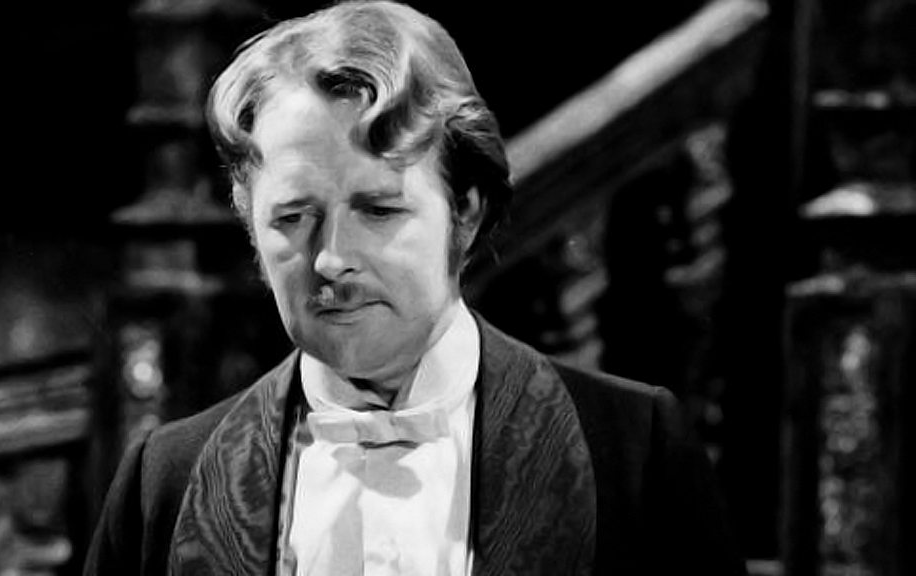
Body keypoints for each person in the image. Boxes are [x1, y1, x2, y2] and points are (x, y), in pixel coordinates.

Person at [84, 1, 746, 575]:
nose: (331, 259)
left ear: (465, 212)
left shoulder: (633, 454)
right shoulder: (164, 483)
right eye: (293, 218)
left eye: (378, 210)